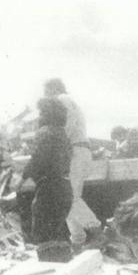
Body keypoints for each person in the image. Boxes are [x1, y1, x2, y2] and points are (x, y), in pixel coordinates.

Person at [43, 78, 104, 248]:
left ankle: (97, 233)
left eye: (46, 92)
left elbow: (67, 123)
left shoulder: (61, 99)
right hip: (80, 150)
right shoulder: (69, 101)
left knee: (68, 198)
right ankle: (78, 240)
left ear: (52, 89)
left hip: (75, 151)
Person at [18, 97, 74, 249]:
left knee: (44, 238)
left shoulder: (44, 132)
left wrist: (22, 179)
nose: (39, 116)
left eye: (41, 112)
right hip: (65, 188)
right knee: (59, 236)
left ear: (46, 114)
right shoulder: (63, 135)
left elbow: (37, 159)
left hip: (49, 189)